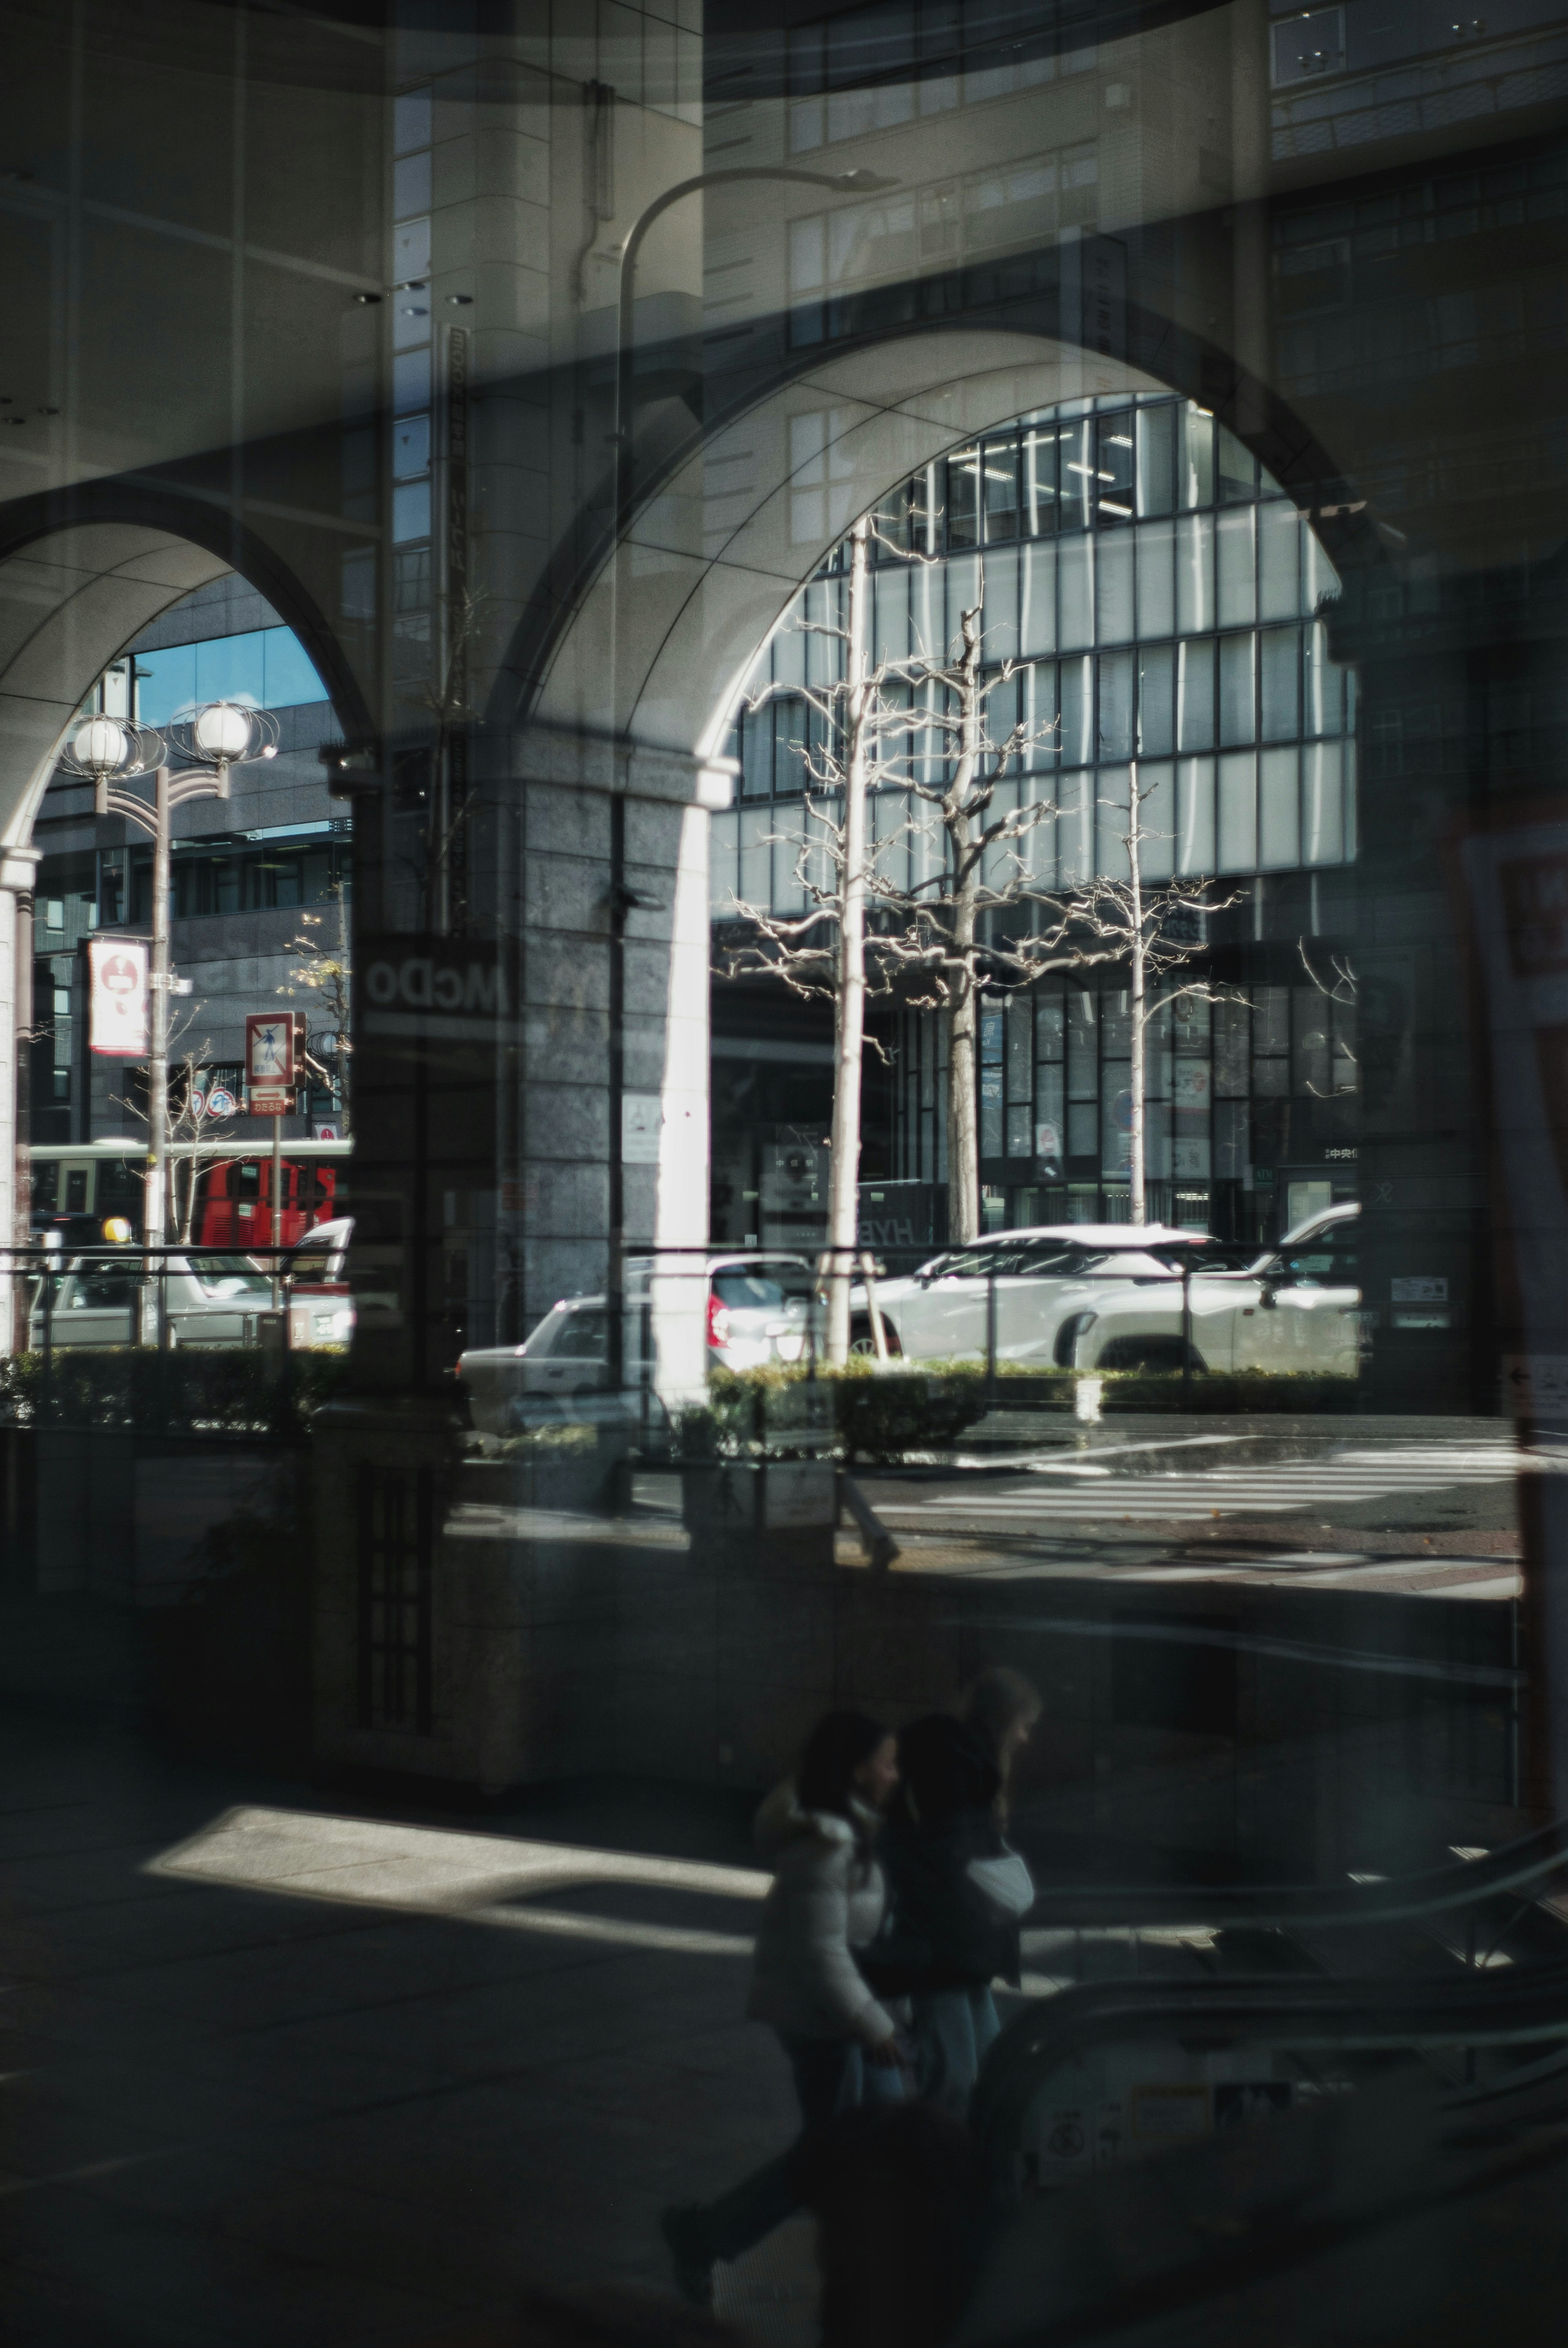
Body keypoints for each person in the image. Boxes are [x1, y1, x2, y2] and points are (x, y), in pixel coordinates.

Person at [660, 1711, 907, 2304]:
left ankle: (876, 2254)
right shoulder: (824, 1847)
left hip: (833, 2015)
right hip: (822, 2023)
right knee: (832, 2155)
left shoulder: (848, 1833)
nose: (896, 1775)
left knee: (878, 2136)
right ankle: (706, 2235)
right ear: (857, 1770)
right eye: (889, 1763)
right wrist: (872, 2022)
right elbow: (821, 1953)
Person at [867, 1670, 1040, 2119]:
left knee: (979, 2065)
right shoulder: (961, 1774)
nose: (1025, 1736)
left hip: (955, 1948)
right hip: (946, 1950)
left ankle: (956, 2153)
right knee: (959, 2077)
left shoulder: (960, 1767)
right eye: (1023, 1723)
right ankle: (943, 2159)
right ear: (1003, 1721)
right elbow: (952, 1865)